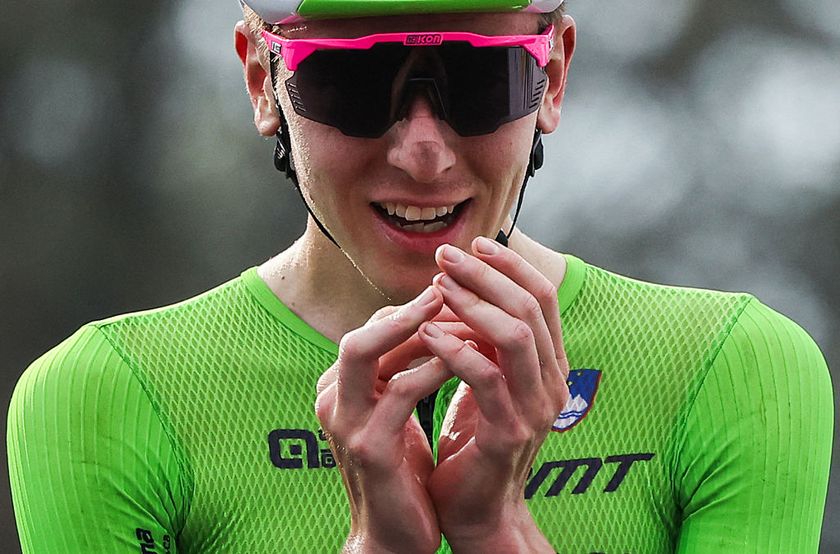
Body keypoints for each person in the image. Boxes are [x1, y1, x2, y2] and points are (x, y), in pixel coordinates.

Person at [6, 0, 834, 552]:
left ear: (551, 78)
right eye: (354, 81)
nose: (424, 152)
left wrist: (499, 531)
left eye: (481, 79)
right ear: (264, 81)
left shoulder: (734, 368)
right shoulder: (106, 396)